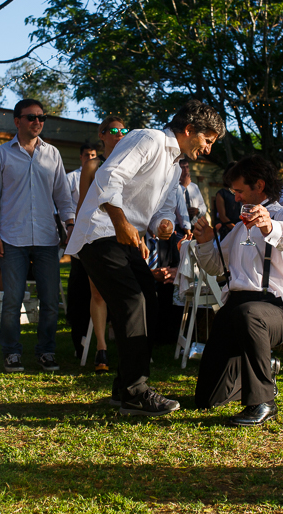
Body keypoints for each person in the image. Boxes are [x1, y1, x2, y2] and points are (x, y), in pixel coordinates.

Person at [66, 99, 224, 416]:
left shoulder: (175, 163)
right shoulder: (149, 138)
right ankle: (136, 392)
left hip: (126, 236)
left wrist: (161, 224)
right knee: (132, 302)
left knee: (149, 302)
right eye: (207, 140)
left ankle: (124, 387)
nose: (207, 149)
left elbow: (158, 209)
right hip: (100, 232)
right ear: (190, 129)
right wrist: (122, 222)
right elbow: (108, 177)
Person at [193, 155, 283, 427]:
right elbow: (216, 266)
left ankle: (263, 401)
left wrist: (269, 226)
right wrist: (207, 242)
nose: (236, 198)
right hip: (237, 309)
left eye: (240, 191)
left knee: (248, 313)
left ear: (260, 185)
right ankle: (263, 368)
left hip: (276, 310)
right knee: (206, 400)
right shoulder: (238, 228)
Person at [0, 98, 75, 373]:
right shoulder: (2, 154)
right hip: (12, 238)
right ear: (17, 121)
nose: (37, 121)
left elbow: (63, 195)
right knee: (12, 300)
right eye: (31, 117)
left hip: (47, 238)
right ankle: (11, 352)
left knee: (49, 300)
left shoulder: (53, 154)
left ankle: (46, 351)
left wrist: (69, 226)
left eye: (41, 117)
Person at [74, 118, 128, 373]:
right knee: (97, 293)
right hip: (95, 233)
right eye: (114, 131)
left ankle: (130, 347)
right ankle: (101, 348)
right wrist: (77, 237)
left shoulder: (131, 166)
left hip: (123, 233)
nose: (119, 135)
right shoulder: (93, 165)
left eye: (123, 131)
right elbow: (83, 203)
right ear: (102, 134)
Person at [66, 142, 100, 358]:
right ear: (80, 156)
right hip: (80, 236)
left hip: (102, 238)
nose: (90, 157)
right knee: (79, 290)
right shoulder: (71, 178)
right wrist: (71, 228)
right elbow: (68, 205)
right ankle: (79, 341)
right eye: (86, 154)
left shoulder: (105, 172)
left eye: (93, 155)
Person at [213, 162, 242, 240]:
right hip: (228, 231)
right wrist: (235, 228)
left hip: (242, 229)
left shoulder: (242, 191)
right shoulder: (222, 193)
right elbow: (222, 216)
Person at [177, 157, 208, 228]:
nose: (186, 170)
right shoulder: (174, 186)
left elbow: (203, 206)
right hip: (179, 226)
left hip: (195, 225)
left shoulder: (194, 187)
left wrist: (198, 211)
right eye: (182, 167)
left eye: (187, 167)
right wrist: (184, 186)